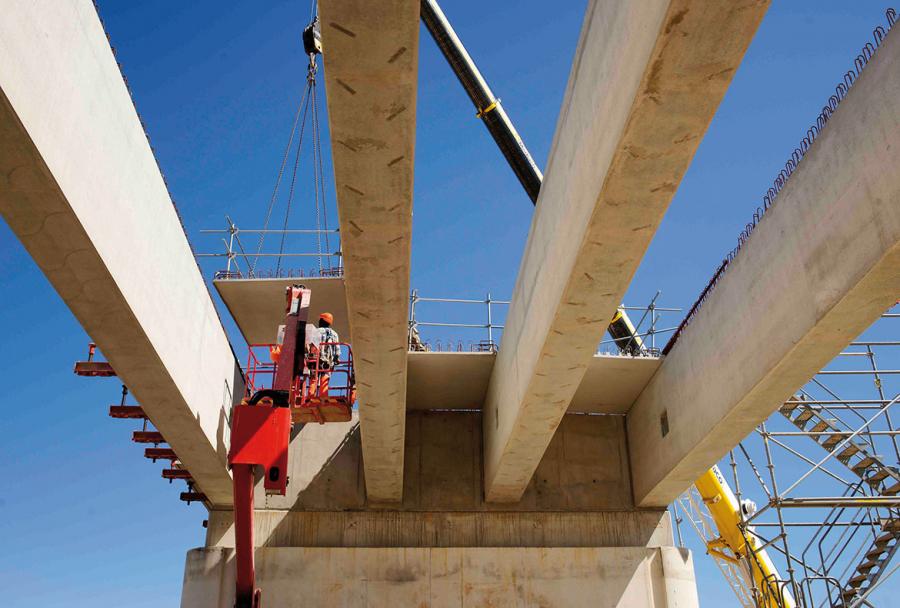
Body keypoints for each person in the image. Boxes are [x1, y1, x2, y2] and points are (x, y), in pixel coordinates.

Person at [314, 312, 339, 397]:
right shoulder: (334, 334)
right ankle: (323, 397)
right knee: (325, 378)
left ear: (322, 320)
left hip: (315, 360)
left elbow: (310, 346)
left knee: (313, 378)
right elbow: (337, 350)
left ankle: (310, 397)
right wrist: (336, 359)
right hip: (328, 361)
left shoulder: (316, 331)